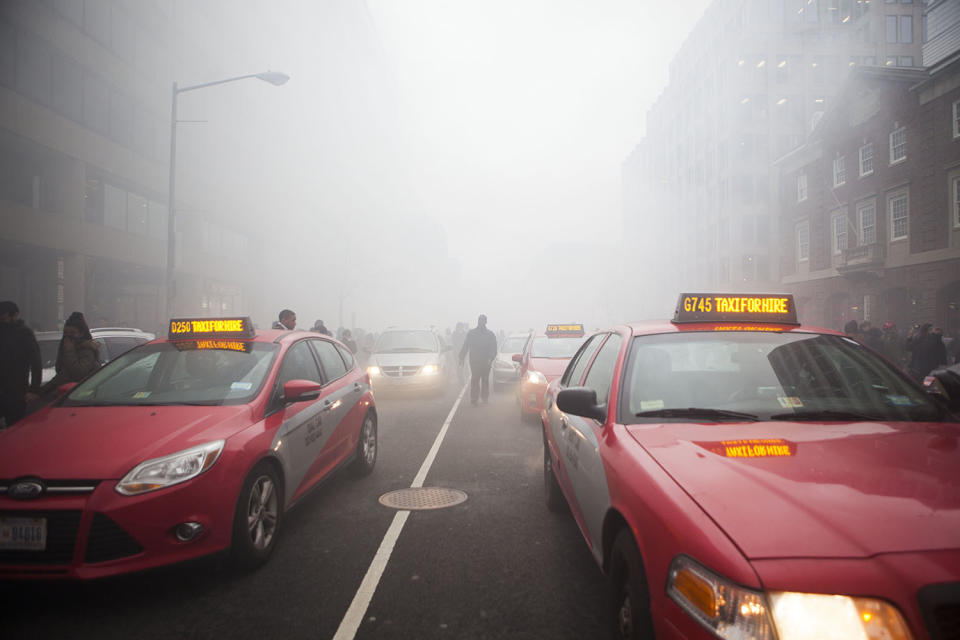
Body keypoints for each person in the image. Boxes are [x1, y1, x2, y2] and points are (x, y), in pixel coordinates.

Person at [31, 312, 101, 404]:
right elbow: (61, 376)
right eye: (66, 333)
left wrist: (69, 351)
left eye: (72, 333)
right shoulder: (65, 348)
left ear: (81, 333)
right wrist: (40, 392)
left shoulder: (87, 350)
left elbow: (79, 373)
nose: (68, 336)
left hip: (81, 399)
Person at [0, 301, 42, 428]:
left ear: (15, 315)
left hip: (16, 390)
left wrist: (34, 389)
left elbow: (36, 362)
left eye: (5, 317)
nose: (3, 320)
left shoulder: (24, 333)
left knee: (14, 426)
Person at [458, 314, 498, 406]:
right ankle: (474, 398)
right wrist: (461, 357)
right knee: (475, 379)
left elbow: (493, 348)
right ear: (478, 321)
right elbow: (466, 346)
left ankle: (484, 397)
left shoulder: (490, 334)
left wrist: (490, 358)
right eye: (480, 320)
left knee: (485, 379)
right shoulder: (471, 333)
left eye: (483, 320)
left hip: (486, 361)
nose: (481, 322)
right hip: (474, 361)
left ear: (486, 322)